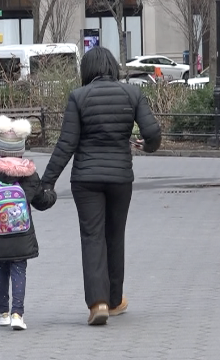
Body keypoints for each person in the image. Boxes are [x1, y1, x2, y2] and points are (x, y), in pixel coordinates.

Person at [40, 46, 162, 326]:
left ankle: (98, 304)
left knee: (92, 237)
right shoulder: (132, 93)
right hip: (121, 178)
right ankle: (116, 300)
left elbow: (66, 144)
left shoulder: (78, 97)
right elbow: (152, 131)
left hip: (86, 179)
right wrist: (150, 146)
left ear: (87, 70)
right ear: (113, 67)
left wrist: (47, 182)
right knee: (115, 236)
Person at [0, 115, 57, 331]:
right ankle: (17, 314)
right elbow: (41, 202)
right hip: (22, 236)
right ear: (21, 150)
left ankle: (2, 312)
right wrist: (52, 195)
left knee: (1, 270)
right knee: (19, 270)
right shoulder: (29, 176)